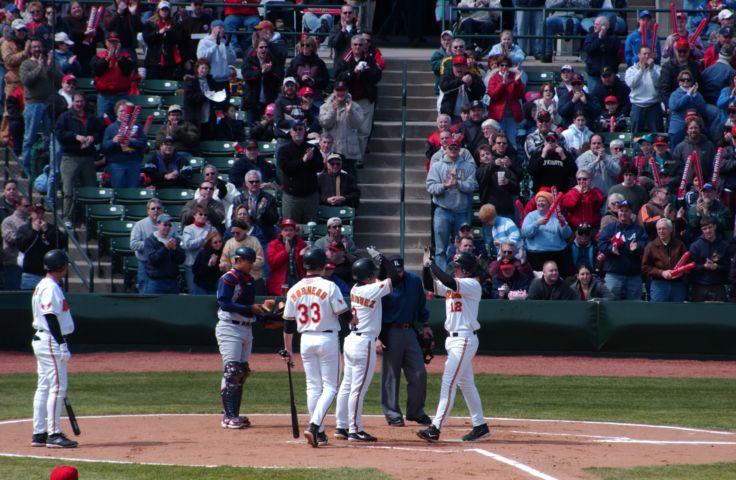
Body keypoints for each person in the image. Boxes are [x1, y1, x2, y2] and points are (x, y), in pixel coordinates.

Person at [281, 248, 352, 448]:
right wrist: (356, 320)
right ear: (323, 265)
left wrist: (288, 350)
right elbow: (344, 314)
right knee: (330, 387)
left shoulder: (294, 289)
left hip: (305, 340)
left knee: (313, 387)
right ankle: (314, 426)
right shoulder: (329, 286)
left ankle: (319, 432)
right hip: (326, 338)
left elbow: (288, 326)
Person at [417, 250, 489, 443]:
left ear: (464, 269)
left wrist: (433, 265)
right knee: (465, 384)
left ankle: (435, 428)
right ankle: (480, 425)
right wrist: (426, 267)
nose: (454, 269)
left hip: (464, 339)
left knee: (448, 384)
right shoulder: (456, 284)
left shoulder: (472, 284)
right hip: (455, 340)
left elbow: (449, 282)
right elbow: (429, 285)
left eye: (457, 267)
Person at [335, 250, 397, 442]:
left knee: (347, 385)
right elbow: (393, 278)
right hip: (364, 343)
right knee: (358, 389)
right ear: (368, 276)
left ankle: (341, 426)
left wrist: (377, 265)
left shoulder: (355, 288)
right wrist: (383, 260)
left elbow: (381, 280)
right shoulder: (370, 290)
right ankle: (355, 429)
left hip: (351, 340)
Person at [31, 249, 78, 448]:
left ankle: (39, 432)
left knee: (44, 387)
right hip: (50, 340)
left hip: (43, 339)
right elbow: (50, 317)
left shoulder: (44, 284)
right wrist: (61, 343)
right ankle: (54, 433)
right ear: (61, 267)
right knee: (57, 387)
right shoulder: (50, 287)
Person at [379, 254, 432, 427]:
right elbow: (376, 312)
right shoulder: (383, 284)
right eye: (395, 271)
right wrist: (378, 336)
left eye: (400, 270)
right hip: (390, 331)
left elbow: (421, 304)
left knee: (419, 373)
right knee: (391, 376)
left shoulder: (414, 281)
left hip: (410, 331)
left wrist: (425, 324)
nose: (398, 274)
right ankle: (392, 413)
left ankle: (416, 412)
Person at [216, 246, 263, 429]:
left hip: (246, 328)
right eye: (248, 261)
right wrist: (250, 310)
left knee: (242, 372)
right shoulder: (229, 278)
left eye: (252, 262)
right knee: (232, 371)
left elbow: (248, 306)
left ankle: (234, 414)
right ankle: (228, 417)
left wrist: (264, 316)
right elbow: (225, 303)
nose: (250, 265)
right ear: (239, 260)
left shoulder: (249, 280)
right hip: (230, 328)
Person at [55, 92, 105, 228]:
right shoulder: (65, 116)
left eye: (81, 101)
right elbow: (59, 133)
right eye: (77, 101)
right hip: (70, 157)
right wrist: (74, 136)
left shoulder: (91, 117)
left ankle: (86, 220)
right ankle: (68, 218)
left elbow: (100, 133)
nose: (79, 104)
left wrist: (93, 137)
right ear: (73, 102)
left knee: (89, 190)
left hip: (87, 157)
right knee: (68, 190)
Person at [426, 137, 478, 270]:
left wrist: (458, 184)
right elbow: (430, 187)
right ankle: (442, 279)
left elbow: (472, 185)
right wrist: (444, 186)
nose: (453, 150)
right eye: (451, 147)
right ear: (446, 149)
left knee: (463, 246)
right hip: (442, 211)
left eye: (456, 147)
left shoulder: (468, 166)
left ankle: (460, 274)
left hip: (462, 211)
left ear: (460, 149)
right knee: (440, 249)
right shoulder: (437, 166)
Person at [333, 34, 382, 163]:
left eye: (360, 45)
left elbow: (377, 76)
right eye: (355, 44)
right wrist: (352, 72)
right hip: (348, 100)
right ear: (351, 45)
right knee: (346, 129)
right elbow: (338, 77)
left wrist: (366, 70)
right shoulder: (345, 58)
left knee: (364, 130)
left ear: (365, 45)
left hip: (365, 99)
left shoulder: (370, 58)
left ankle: (359, 159)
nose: (357, 47)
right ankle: (346, 157)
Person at [20, 37, 58, 176]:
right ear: (30, 49)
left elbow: (57, 79)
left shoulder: (47, 63)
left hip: (47, 103)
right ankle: (26, 168)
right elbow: (27, 80)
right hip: (33, 104)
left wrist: (49, 65)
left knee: (49, 137)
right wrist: (40, 67)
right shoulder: (26, 64)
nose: (37, 49)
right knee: (29, 137)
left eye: (39, 46)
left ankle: (44, 167)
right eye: (34, 47)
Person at [597, 200, 648, 300]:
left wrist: (638, 246)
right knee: (610, 305)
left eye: (626, 211)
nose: (623, 213)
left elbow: (646, 244)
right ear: (617, 212)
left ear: (631, 212)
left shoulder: (638, 229)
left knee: (634, 307)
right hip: (613, 274)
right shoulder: (610, 228)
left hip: (633, 275)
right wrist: (611, 249)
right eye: (621, 210)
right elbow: (601, 243)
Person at [277, 121, 324, 223]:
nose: (298, 132)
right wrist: (303, 160)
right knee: (290, 228)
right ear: (291, 132)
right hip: (292, 197)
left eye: (300, 129)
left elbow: (320, 167)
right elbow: (286, 168)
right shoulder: (284, 150)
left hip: (310, 197)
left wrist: (311, 159)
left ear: (304, 132)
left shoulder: (312, 149)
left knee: (312, 227)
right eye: (295, 129)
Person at [521, 190, 573, 276]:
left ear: (549, 203)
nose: (540, 203)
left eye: (543, 201)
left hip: (556, 253)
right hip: (536, 254)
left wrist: (563, 224)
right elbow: (525, 233)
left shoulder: (556, 216)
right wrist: (537, 224)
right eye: (539, 201)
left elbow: (567, 235)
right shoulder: (531, 216)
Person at [318, 80, 364, 177]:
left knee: (350, 183)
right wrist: (332, 111)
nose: (340, 93)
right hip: (331, 152)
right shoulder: (325, 106)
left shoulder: (355, 106)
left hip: (348, 153)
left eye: (343, 90)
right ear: (333, 91)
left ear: (347, 91)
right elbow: (324, 124)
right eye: (338, 90)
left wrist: (350, 112)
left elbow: (357, 124)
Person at [16, 204, 66, 290]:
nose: (39, 215)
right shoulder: (24, 229)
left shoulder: (51, 228)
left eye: (41, 213)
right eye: (36, 213)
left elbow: (62, 243)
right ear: (31, 213)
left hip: (50, 274)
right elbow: (21, 246)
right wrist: (34, 231)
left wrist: (47, 231)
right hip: (30, 274)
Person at [641, 218, 689, 302]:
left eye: (664, 228)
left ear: (670, 229)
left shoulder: (680, 245)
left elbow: (688, 265)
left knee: (678, 312)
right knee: (658, 312)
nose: (661, 231)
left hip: (677, 284)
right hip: (659, 285)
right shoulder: (651, 246)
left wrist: (681, 273)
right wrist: (661, 273)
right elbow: (645, 267)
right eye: (659, 229)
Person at [101, 100, 146, 189]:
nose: (124, 113)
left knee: (133, 191)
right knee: (118, 190)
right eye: (121, 111)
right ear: (116, 113)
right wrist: (114, 141)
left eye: (126, 111)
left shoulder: (137, 126)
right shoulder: (111, 128)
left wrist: (129, 141)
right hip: (116, 164)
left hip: (133, 162)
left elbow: (143, 142)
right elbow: (104, 147)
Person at [91, 32, 136, 118]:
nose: (113, 44)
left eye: (116, 42)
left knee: (124, 120)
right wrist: (107, 58)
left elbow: (128, 71)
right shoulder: (99, 56)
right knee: (102, 120)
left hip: (121, 95)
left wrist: (119, 57)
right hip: (105, 96)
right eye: (110, 42)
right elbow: (97, 71)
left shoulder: (126, 56)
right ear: (106, 42)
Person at [688, 217, 732, 302]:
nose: (708, 231)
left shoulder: (724, 246)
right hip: (699, 286)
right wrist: (704, 266)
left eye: (710, 227)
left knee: (719, 314)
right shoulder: (695, 246)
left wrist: (716, 267)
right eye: (705, 229)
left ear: (715, 227)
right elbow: (691, 268)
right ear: (702, 230)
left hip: (718, 286)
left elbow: (729, 267)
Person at [242, 38, 283, 126]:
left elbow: (280, 75)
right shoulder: (249, 59)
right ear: (256, 49)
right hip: (252, 101)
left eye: (265, 47)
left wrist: (270, 70)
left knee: (268, 127)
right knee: (252, 128)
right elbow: (246, 74)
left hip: (268, 100)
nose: (264, 49)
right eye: (261, 47)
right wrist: (261, 71)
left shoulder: (273, 60)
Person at [142, 213, 184, 294]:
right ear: (158, 225)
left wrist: (175, 249)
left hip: (173, 282)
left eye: (169, 225)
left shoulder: (174, 240)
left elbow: (181, 259)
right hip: (156, 283)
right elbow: (153, 259)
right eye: (165, 225)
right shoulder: (150, 241)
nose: (167, 228)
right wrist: (165, 248)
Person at [220, 219, 265, 293]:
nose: (235, 235)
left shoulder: (254, 241)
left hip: (254, 280)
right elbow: (224, 260)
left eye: (237, 233)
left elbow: (260, 260)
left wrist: (244, 265)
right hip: (236, 281)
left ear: (244, 231)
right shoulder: (229, 243)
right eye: (233, 233)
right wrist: (224, 266)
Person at [625, 46, 663, 134]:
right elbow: (632, 83)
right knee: (636, 135)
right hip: (637, 104)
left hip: (653, 104)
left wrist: (651, 69)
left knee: (657, 134)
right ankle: (635, 148)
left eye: (649, 54)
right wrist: (641, 70)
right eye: (644, 54)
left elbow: (659, 84)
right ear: (639, 55)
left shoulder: (657, 69)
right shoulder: (631, 70)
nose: (646, 56)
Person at [487, 55, 525, 143]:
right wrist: (503, 83)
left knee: (512, 141)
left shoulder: (514, 77)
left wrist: (517, 82)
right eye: (502, 65)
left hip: (512, 115)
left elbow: (519, 95)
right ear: (498, 66)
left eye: (506, 65)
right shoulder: (494, 78)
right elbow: (493, 95)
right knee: (498, 142)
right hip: (498, 116)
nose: (504, 67)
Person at [266, 218, 307, 295]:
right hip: (280, 282)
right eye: (286, 230)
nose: (288, 232)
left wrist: (303, 257)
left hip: (297, 280)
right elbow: (273, 263)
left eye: (291, 230)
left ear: (295, 232)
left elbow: (306, 267)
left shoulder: (302, 244)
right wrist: (285, 252)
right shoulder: (273, 244)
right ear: (281, 232)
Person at [659, 38, 704, 109]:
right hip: (674, 104)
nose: (682, 54)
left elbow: (699, 86)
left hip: (691, 104)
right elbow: (664, 90)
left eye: (684, 51)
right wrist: (669, 105)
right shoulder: (668, 67)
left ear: (689, 51)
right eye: (680, 51)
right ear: (676, 51)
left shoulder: (694, 66)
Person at [438, 55, 485, 123]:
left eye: (462, 66)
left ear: (466, 67)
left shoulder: (472, 76)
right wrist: (461, 81)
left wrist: (471, 84)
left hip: (469, 116)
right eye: (457, 66)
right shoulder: (447, 76)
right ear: (453, 67)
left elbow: (481, 92)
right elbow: (444, 87)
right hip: (450, 116)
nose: (459, 68)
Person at [130, 199, 162, 293]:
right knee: (144, 291)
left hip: (162, 265)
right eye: (153, 208)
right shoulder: (139, 225)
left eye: (158, 208)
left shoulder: (167, 225)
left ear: (162, 210)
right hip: (145, 264)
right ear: (148, 211)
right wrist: (150, 244)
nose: (156, 210)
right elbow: (133, 244)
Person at [582, 16, 621, 93]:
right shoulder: (591, 36)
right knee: (594, 97)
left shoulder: (613, 37)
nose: (594, 26)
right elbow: (588, 49)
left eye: (597, 24)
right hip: (594, 75)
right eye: (594, 24)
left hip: (609, 75)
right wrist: (599, 39)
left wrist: (604, 37)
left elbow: (612, 48)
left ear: (604, 26)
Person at [183, 59, 219, 141]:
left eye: (206, 68)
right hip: (195, 114)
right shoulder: (191, 81)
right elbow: (189, 98)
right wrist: (205, 96)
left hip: (208, 112)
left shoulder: (211, 81)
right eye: (202, 68)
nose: (204, 70)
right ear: (197, 68)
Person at [286, 36, 329, 101]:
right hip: (298, 97)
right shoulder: (295, 61)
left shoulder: (319, 62)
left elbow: (325, 80)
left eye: (307, 45)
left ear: (312, 47)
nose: (304, 47)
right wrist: (300, 79)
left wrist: (313, 81)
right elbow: (289, 77)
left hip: (315, 97)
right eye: (302, 45)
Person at [196, 20, 235, 90]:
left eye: (223, 28)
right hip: (211, 80)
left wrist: (227, 48)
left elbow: (232, 61)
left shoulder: (226, 43)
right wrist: (215, 46)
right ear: (212, 28)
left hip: (225, 80)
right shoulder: (204, 42)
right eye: (219, 28)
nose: (222, 30)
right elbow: (201, 59)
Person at [1, 195, 30, 290]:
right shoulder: (8, 221)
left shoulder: (30, 222)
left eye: (30, 206)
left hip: (29, 264)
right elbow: (11, 238)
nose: (29, 208)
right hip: (13, 262)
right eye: (26, 206)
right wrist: (29, 237)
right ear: (17, 206)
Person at [192, 230, 224, 295]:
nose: (218, 244)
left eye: (220, 241)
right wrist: (209, 265)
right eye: (215, 242)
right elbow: (195, 271)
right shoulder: (203, 253)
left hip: (215, 286)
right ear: (210, 243)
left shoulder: (223, 253)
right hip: (202, 285)